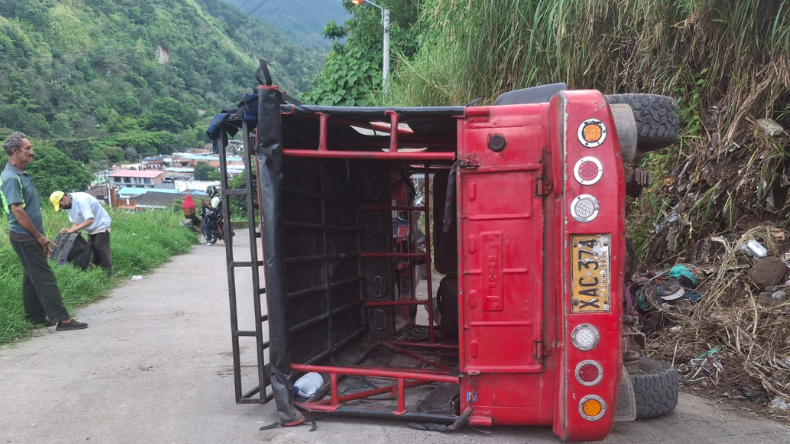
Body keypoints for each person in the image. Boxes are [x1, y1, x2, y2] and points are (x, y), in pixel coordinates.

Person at [0, 132, 88, 331]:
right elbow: (17, 210)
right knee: (45, 277)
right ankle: (63, 320)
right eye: (28, 148)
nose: (32, 152)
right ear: (15, 151)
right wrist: (39, 237)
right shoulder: (11, 178)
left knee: (31, 276)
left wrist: (39, 235)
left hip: (27, 236)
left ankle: (34, 318)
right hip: (25, 236)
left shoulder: (20, 174)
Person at [50, 190, 113, 276]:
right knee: (91, 248)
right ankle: (98, 271)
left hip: (101, 223)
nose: (61, 208)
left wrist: (73, 230)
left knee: (100, 247)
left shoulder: (80, 200)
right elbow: (76, 222)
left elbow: (90, 220)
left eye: (60, 205)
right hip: (91, 228)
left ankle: (108, 273)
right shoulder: (68, 207)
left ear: (64, 198)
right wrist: (69, 231)